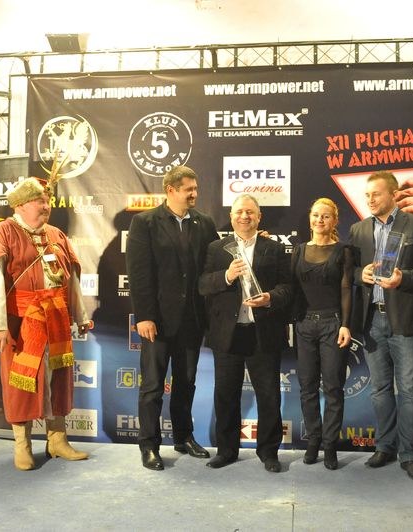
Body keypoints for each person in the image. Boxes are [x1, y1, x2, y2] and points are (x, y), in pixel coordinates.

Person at [0, 172, 90, 471]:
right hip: (22, 323)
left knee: (58, 378)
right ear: (20, 205)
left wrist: (81, 315)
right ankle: (22, 445)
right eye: (38, 201)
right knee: (22, 382)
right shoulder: (0, 234)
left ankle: (57, 440)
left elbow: (69, 279)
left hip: (56, 320)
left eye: (47, 201)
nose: (46, 206)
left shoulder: (56, 235)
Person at [125, 165, 219, 470]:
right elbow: (139, 274)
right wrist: (144, 316)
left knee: (186, 382)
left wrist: (255, 241)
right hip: (157, 322)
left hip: (192, 320)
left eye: (195, 189)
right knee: (152, 386)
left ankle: (183, 437)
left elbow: (218, 259)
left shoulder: (204, 223)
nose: (194, 194)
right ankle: (149, 445)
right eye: (188, 189)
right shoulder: (144, 223)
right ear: (170, 190)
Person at [349, 171, 413, 482]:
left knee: (410, 392)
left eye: (376, 194)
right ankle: (384, 447)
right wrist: (359, 274)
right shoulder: (359, 229)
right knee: (379, 390)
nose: (370, 200)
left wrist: (405, 278)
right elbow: (348, 270)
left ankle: (410, 455)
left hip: (404, 319)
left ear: (392, 195)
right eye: (367, 195)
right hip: (371, 320)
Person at [198, 194, 292, 473]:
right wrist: (226, 276)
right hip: (228, 333)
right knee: (225, 394)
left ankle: (269, 452)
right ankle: (226, 451)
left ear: (259, 217)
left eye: (250, 212)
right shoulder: (216, 248)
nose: (244, 216)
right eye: (239, 211)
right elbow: (203, 284)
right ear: (231, 216)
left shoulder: (274, 248)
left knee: (269, 395)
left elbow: (288, 288)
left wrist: (270, 298)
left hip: (263, 332)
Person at [292, 198, 354, 470]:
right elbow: (291, 289)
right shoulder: (298, 250)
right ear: (310, 218)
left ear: (335, 220)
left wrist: (345, 324)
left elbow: (346, 289)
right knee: (307, 387)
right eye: (316, 215)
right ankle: (313, 441)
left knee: (333, 388)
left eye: (326, 216)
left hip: (332, 324)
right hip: (304, 325)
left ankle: (330, 445)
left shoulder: (343, 251)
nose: (319, 220)